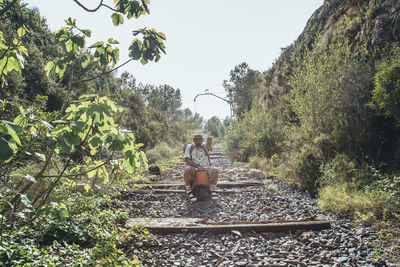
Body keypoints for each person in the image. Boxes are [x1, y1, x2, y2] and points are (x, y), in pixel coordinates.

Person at [183, 134, 218, 201]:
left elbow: (209, 148)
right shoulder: (189, 147)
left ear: (203, 140)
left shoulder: (205, 146)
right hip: (195, 168)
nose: (198, 141)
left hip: (206, 167)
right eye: (196, 139)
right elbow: (187, 160)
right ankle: (188, 191)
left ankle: (213, 190)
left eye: (200, 139)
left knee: (215, 170)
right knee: (187, 170)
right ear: (193, 140)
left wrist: (209, 142)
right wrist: (197, 166)